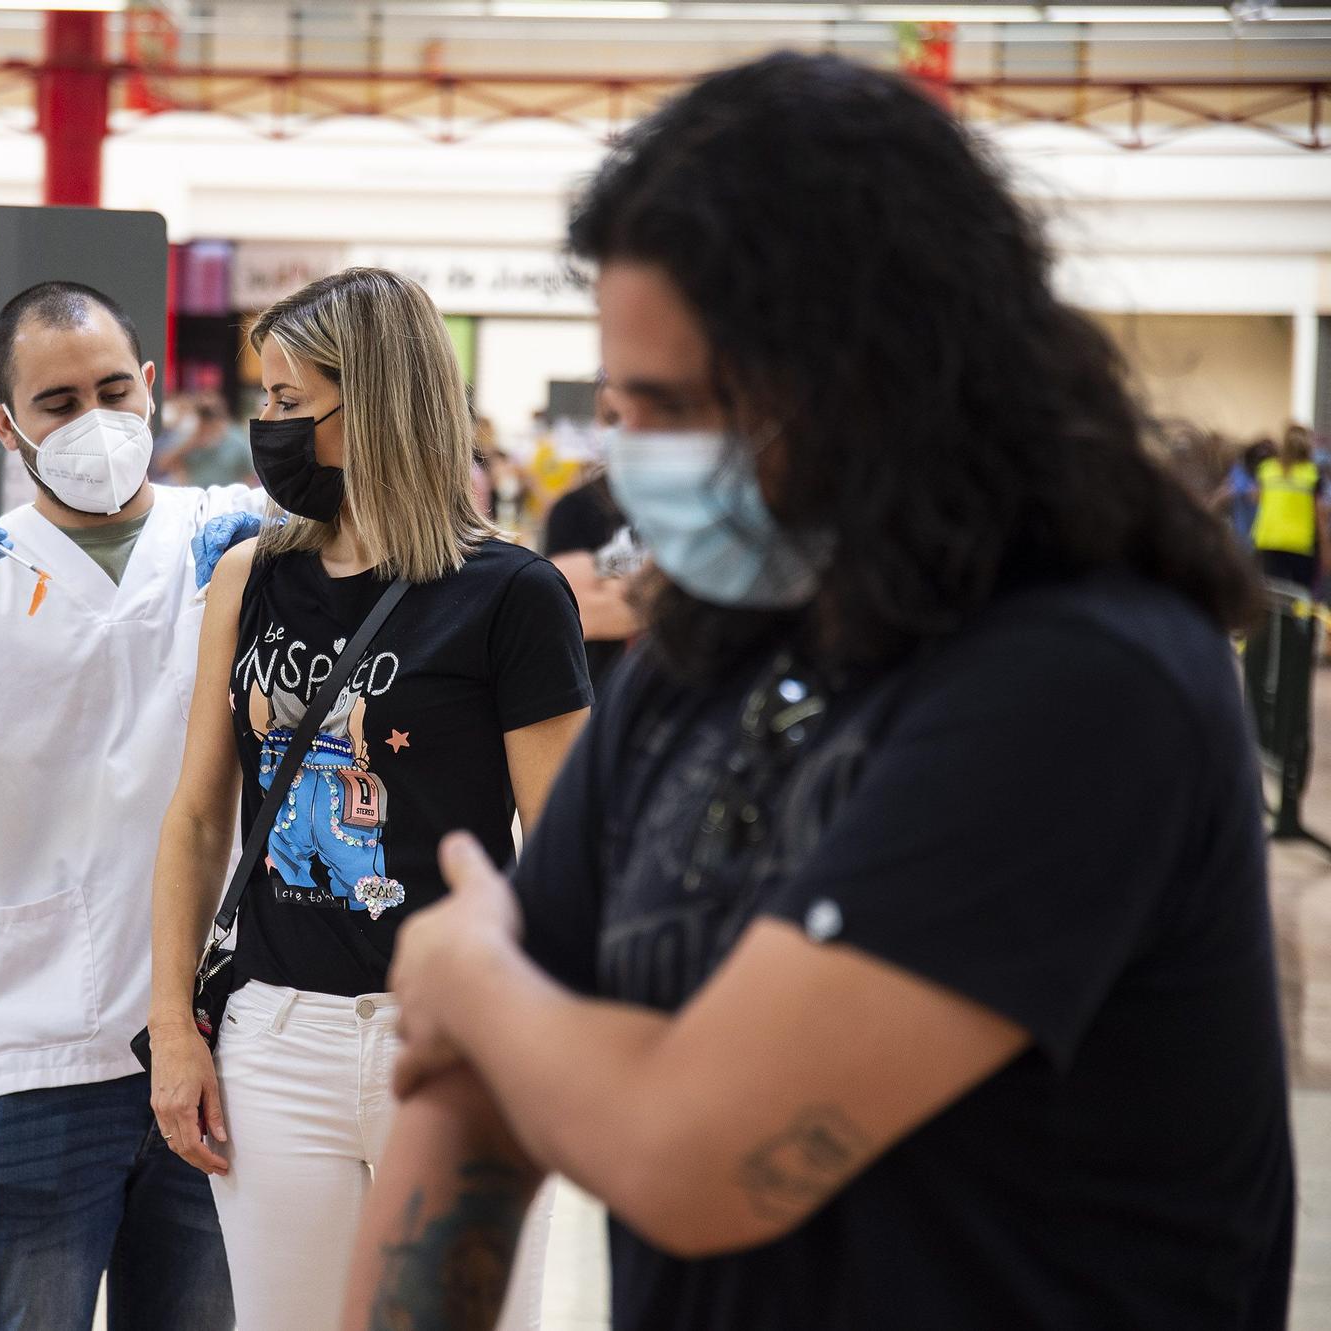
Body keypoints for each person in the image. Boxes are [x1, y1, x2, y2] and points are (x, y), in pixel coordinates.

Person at [347, 53, 1294, 1331]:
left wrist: (468, 974)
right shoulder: (702, 655)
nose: (635, 459)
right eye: (623, 407)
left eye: (677, 407)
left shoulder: (1078, 678)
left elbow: (699, 1159)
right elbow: (466, 1108)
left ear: (880, 376)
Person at [148, 267, 593, 1331]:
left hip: (445, 1040)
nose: (267, 426)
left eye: (290, 403)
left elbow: (569, 847)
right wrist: (173, 1023)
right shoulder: (247, 577)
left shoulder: (512, 595)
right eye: (263, 399)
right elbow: (200, 815)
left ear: (378, 401)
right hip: (274, 1035)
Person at [0, 282, 255, 1331]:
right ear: (6, 424)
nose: (94, 421)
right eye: (58, 402)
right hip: (36, 1047)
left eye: (114, 389)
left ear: (151, 387)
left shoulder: (234, 542)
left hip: (216, 1043)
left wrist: (291, 578)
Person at [542, 379, 642, 692]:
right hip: (601, 688)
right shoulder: (575, 509)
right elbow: (577, 614)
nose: (625, 427)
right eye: (612, 418)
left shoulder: (692, 505)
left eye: (636, 414)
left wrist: (614, 586)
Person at [1251, 421, 1329, 590]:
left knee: (1272, 596)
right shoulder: (1312, 474)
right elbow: (1320, 515)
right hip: (1300, 545)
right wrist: (1325, 549)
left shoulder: (1267, 469)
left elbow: (1256, 498)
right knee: (1300, 599)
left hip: (1268, 541)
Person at [157, 390, 255, 488]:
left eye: (211, 413)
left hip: (226, 499)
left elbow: (249, 476)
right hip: (197, 498)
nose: (208, 419)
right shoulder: (188, 436)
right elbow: (162, 465)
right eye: (204, 414)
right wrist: (192, 442)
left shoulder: (237, 440)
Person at [1216, 434, 1277, 549]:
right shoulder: (1240, 471)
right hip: (1244, 539)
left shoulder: (1275, 475)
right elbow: (1228, 491)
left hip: (1265, 540)